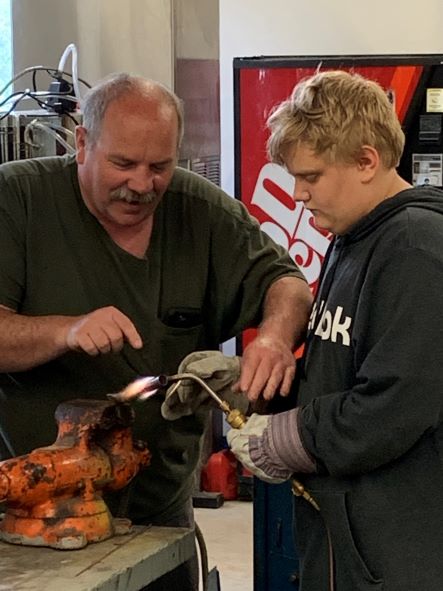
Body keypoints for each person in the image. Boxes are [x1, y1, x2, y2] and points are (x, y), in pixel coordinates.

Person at [0, 73, 312, 590]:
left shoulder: (202, 213)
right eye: (123, 164)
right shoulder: (17, 201)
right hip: (27, 518)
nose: (142, 185)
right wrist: (66, 330)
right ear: (81, 142)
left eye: (159, 167)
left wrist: (275, 339)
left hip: (159, 510)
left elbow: (286, 283)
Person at [223, 71, 443, 590]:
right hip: (348, 540)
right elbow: (342, 368)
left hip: (401, 554)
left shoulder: (415, 248)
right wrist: (250, 386)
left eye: (312, 176)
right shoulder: (352, 237)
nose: (297, 194)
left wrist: (288, 438)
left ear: (367, 161)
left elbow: (392, 406)